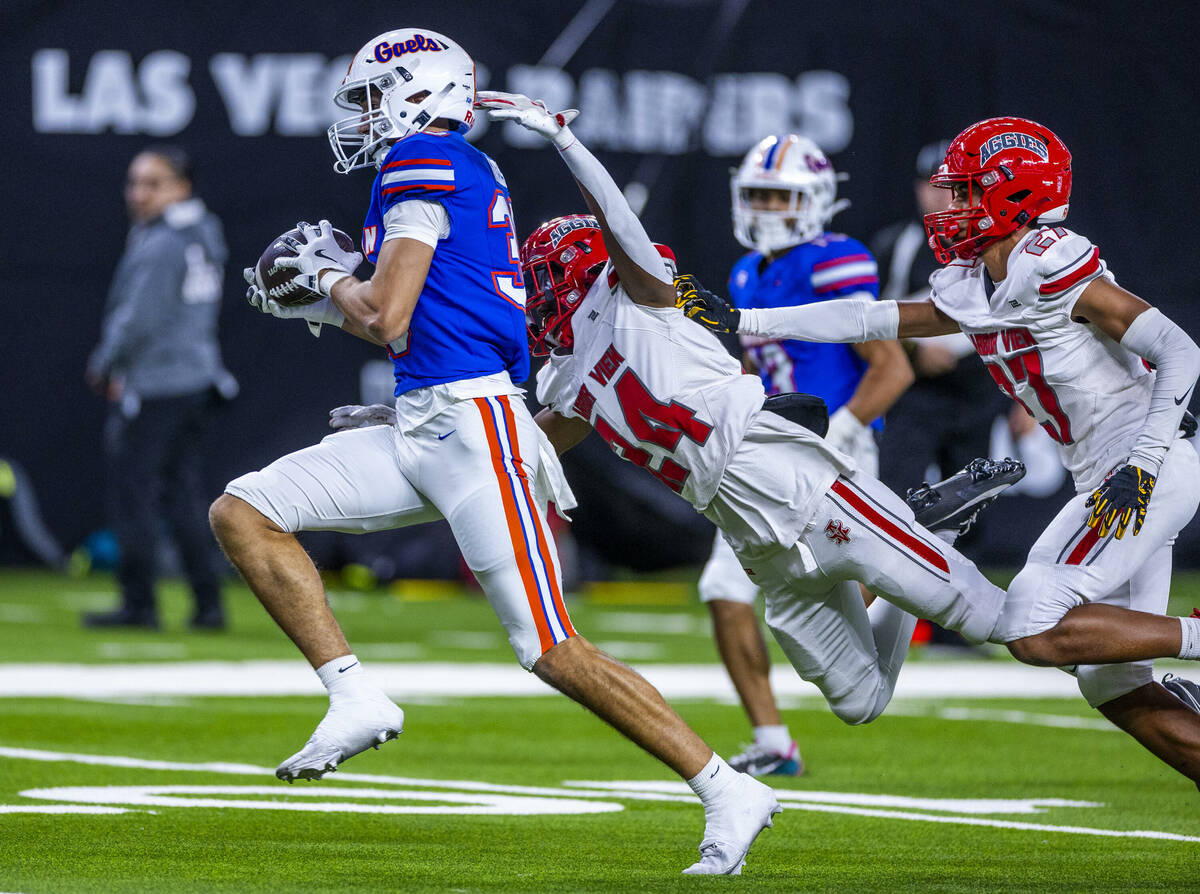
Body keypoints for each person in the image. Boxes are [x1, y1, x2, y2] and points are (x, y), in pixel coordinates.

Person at [208, 29, 778, 876]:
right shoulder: (445, 168)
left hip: (476, 433)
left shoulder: (420, 162)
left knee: (550, 647)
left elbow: (388, 314)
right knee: (245, 512)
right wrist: (330, 301)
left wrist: (324, 282)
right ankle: (354, 692)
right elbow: (424, 316)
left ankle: (727, 785)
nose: (362, 119)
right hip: (428, 419)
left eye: (372, 99)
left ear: (416, 93)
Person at [473, 90, 1022, 764]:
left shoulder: (648, 298)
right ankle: (926, 525)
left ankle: (1178, 643)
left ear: (592, 271)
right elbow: (512, 441)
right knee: (860, 702)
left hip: (793, 471)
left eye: (551, 279)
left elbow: (618, 221)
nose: (541, 298)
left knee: (997, 621)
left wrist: (566, 143)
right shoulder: (569, 378)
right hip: (745, 517)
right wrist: (416, 424)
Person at [678, 116, 1200, 785]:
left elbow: (1179, 349)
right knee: (1113, 683)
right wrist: (745, 320)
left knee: (1032, 618)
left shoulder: (1048, 261)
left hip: (1145, 460)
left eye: (966, 191)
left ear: (1013, 195)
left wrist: (1144, 462)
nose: (949, 206)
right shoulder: (972, 279)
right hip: (1105, 468)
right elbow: (870, 317)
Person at [697, 134, 914, 777]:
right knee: (723, 591)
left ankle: (936, 552)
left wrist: (845, 429)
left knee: (871, 585)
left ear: (816, 200)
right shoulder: (744, 272)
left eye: (780, 196)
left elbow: (892, 365)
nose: (766, 207)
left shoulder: (837, 259)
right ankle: (772, 740)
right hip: (765, 457)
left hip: (832, 453)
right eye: (757, 194)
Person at [84, 146, 236, 630]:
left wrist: (107, 363)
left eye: (153, 183)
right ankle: (208, 603)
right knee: (183, 496)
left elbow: (137, 320)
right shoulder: (203, 232)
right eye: (135, 183)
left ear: (181, 187)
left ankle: (139, 603)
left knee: (136, 496)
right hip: (197, 377)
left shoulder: (164, 241)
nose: (139, 194)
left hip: (160, 383)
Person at [871, 140, 1006, 506]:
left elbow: (1018, 316)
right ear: (917, 188)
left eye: (958, 189)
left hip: (978, 393)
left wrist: (1020, 402)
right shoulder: (894, 245)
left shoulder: (1000, 244)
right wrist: (914, 351)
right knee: (897, 496)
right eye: (935, 186)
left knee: (971, 505)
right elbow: (867, 322)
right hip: (915, 394)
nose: (945, 199)